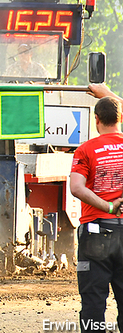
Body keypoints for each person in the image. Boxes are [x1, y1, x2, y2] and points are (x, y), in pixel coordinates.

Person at [69, 96, 123, 333]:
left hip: (96, 233)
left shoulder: (86, 149)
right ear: (120, 119)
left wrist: (108, 206)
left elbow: (76, 187)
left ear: (96, 120)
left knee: (92, 304)